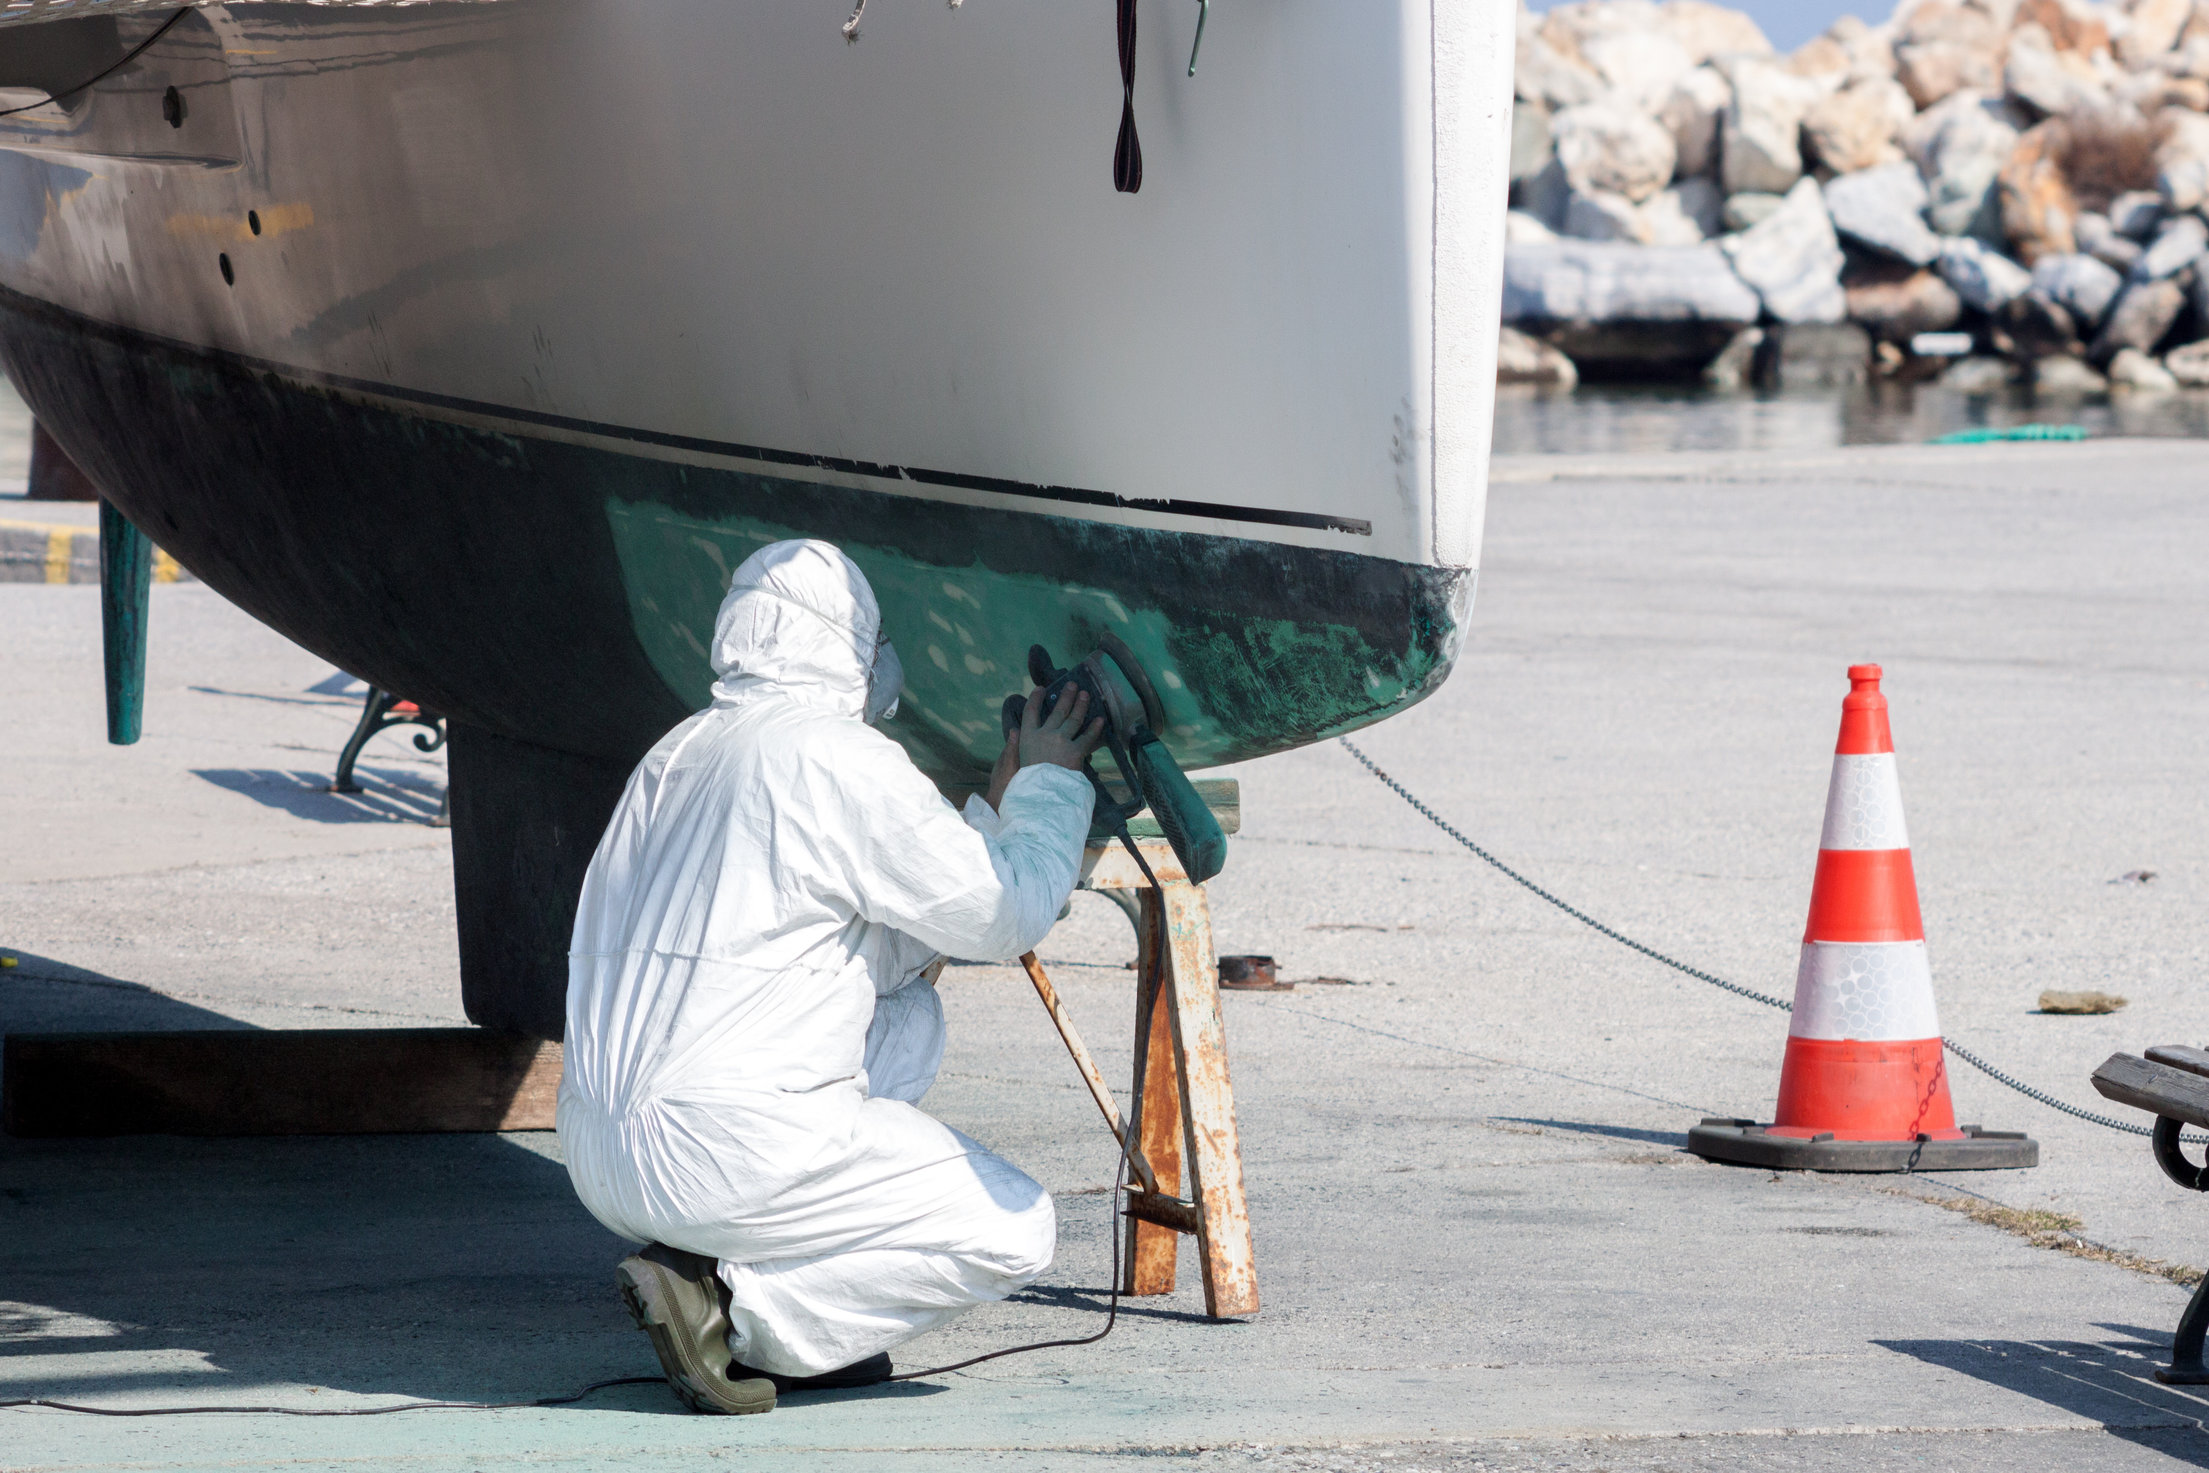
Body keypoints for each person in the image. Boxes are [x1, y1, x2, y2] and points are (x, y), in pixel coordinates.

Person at [556, 538, 1104, 1415]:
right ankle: (736, 1310)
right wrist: (1049, 781)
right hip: (722, 1150)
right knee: (1012, 1226)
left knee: (904, 1012)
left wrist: (989, 819)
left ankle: (709, 1256)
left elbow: (856, 932)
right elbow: (1003, 914)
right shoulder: (834, 756)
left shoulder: (673, 758)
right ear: (851, 646)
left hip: (597, 1155)